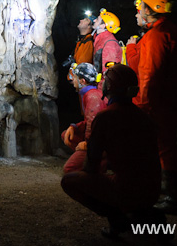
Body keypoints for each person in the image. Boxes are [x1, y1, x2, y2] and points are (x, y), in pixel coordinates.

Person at [60, 64, 166, 241]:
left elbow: (91, 165)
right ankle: (143, 215)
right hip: (153, 191)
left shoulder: (106, 117)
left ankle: (119, 219)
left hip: (126, 189)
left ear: (109, 87)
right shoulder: (143, 117)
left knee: (69, 180)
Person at [133, 0, 177, 215]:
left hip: (159, 104)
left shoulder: (156, 36)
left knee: (162, 148)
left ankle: (173, 198)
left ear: (150, 9)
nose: (138, 11)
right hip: (169, 100)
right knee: (164, 147)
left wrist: (142, 105)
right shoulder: (167, 30)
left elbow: (149, 74)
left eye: (141, 7)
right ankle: (169, 194)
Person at [61, 62, 105, 174]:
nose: (72, 81)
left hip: (101, 143)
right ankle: (93, 162)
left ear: (82, 81)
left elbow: (93, 124)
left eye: (75, 78)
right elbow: (88, 121)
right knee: (68, 134)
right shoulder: (91, 93)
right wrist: (74, 127)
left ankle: (97, 163)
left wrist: (87, 143)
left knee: (69, 170)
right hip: (101, 139)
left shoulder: (92, 97)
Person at [92, 8, 122, 84]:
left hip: (104, 89)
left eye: (97, 19)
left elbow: (109, 75)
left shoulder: (109, 43)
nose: (94, 20)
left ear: (103, 25)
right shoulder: (99, 39)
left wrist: (101, 92)